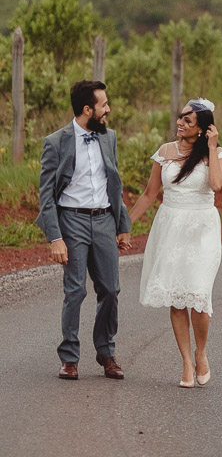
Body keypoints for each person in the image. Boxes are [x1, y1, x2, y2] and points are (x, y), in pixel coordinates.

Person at [36, 80, 133, 380]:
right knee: (75, 290)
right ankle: (69, 357)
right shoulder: (56, 142)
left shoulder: (110, 138)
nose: (108, 110)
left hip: (104, 220)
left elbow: (114, 184)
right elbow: (46, 194)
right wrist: (55, 237)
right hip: (72, 221)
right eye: (104, 105)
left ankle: (106, 352)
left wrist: (122, 225)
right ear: (87, 109)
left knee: (111, 289)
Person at [128, 98, 222, 388]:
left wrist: (211, 147)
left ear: (203, 129)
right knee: (175, 295)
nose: (180, 123)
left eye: (188, 121)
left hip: (202, 228)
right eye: (181, 118)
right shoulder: (165, 152)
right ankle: (185, 360)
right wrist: (124, 225)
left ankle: (201, 351)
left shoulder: (215, 153)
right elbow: (149, 194)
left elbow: (217, 185)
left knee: (198, 295)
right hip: (171, 226)